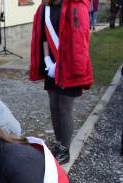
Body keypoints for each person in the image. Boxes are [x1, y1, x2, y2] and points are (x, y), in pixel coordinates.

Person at [30, 0, 93, 165]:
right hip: (51, 66)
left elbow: (79, 40)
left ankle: (65, 150)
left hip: (69, 67)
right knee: (54, 106)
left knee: (64, 108)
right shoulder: (45, 7)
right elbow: (42, 36)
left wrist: (65, 65)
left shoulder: (76, 6)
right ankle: (59, 145)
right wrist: (47, 61)